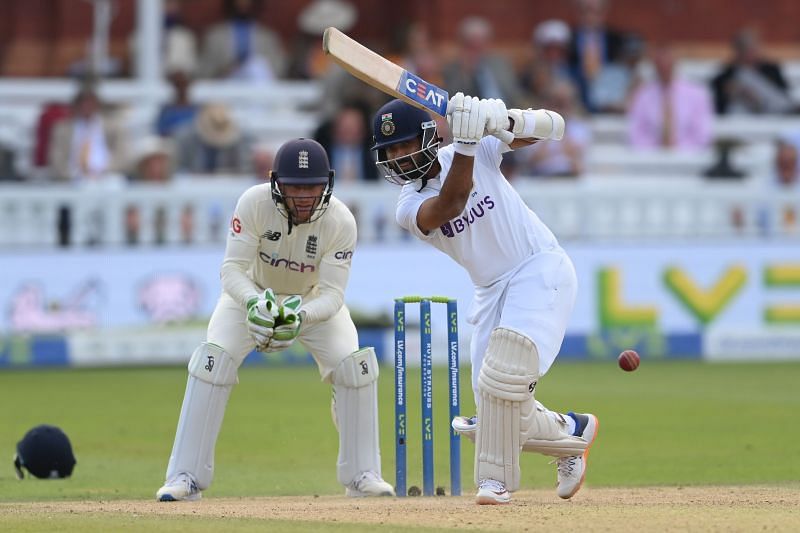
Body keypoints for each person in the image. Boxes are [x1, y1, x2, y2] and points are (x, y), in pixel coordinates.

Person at [371, 96, 599, 504]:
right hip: (491, 290)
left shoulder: (478, 149)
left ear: (426, 137)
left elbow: (554, 125)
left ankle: (493, 482)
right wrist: (468, 142)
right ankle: (571, 432)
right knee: (497, 410)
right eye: (391, 151)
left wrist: (502, 119)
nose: (400, 158)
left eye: (405, 145)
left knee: (502, 386)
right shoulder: (407, 206)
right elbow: (452, 202)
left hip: (538, 266)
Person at [156, 138, 394, 501]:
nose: (303, 196)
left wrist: (298, 315)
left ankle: (362, 474)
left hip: (311, 303)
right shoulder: (253, 203)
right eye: (294, 186)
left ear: (326, 184)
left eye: (312, 186)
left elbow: (332, 294)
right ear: (276, 183)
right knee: (211, 362)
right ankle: (185, 477)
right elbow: (232, 270)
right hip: (251, 297)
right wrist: (255, 303)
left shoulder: (341, 220)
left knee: (355, 367)